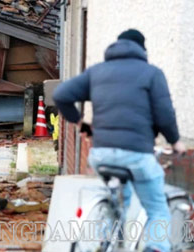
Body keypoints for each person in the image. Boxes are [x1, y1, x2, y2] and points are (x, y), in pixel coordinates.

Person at [53, 29, 185, 252]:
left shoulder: (96, 72)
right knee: (156, 208)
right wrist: (175, 142)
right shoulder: (151, 73)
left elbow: (61, 95)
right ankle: (156, 248)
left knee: (118, 202)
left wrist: (79, 122)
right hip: (136, 154)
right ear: (142, 49)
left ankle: (107, 243)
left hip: (101, 154)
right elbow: (165, 115)